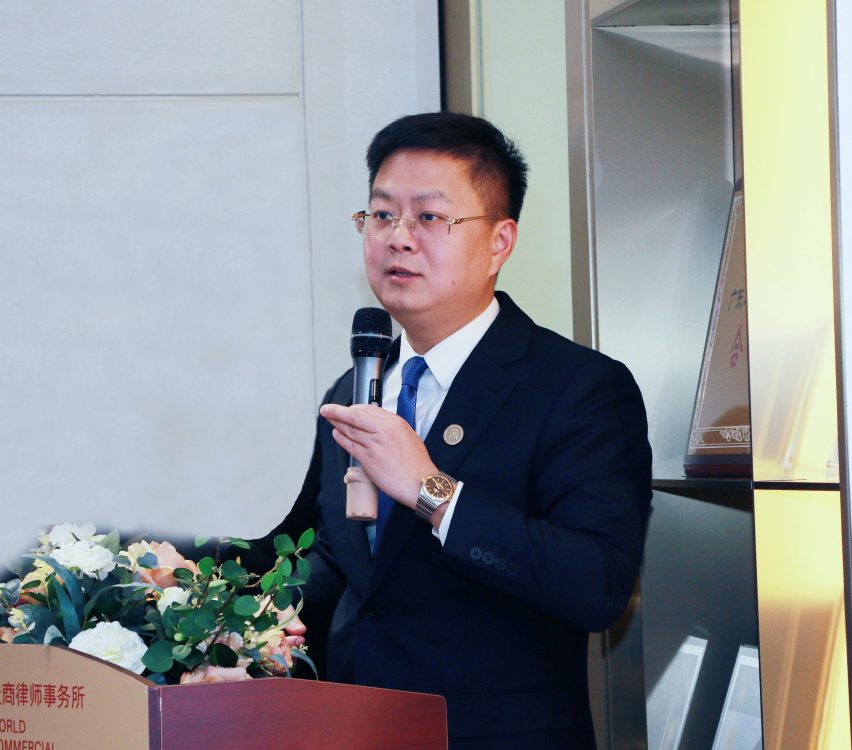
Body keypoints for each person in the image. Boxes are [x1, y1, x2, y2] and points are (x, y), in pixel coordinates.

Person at [268, 112, 652, 750]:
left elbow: (598, 585)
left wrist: (430, 489)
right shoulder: (355, 387)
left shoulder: (578, 388)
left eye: (429, 216)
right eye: (382, 214)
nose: (398, 238)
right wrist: (220, 601)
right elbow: (340, 560)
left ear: (500, 241)